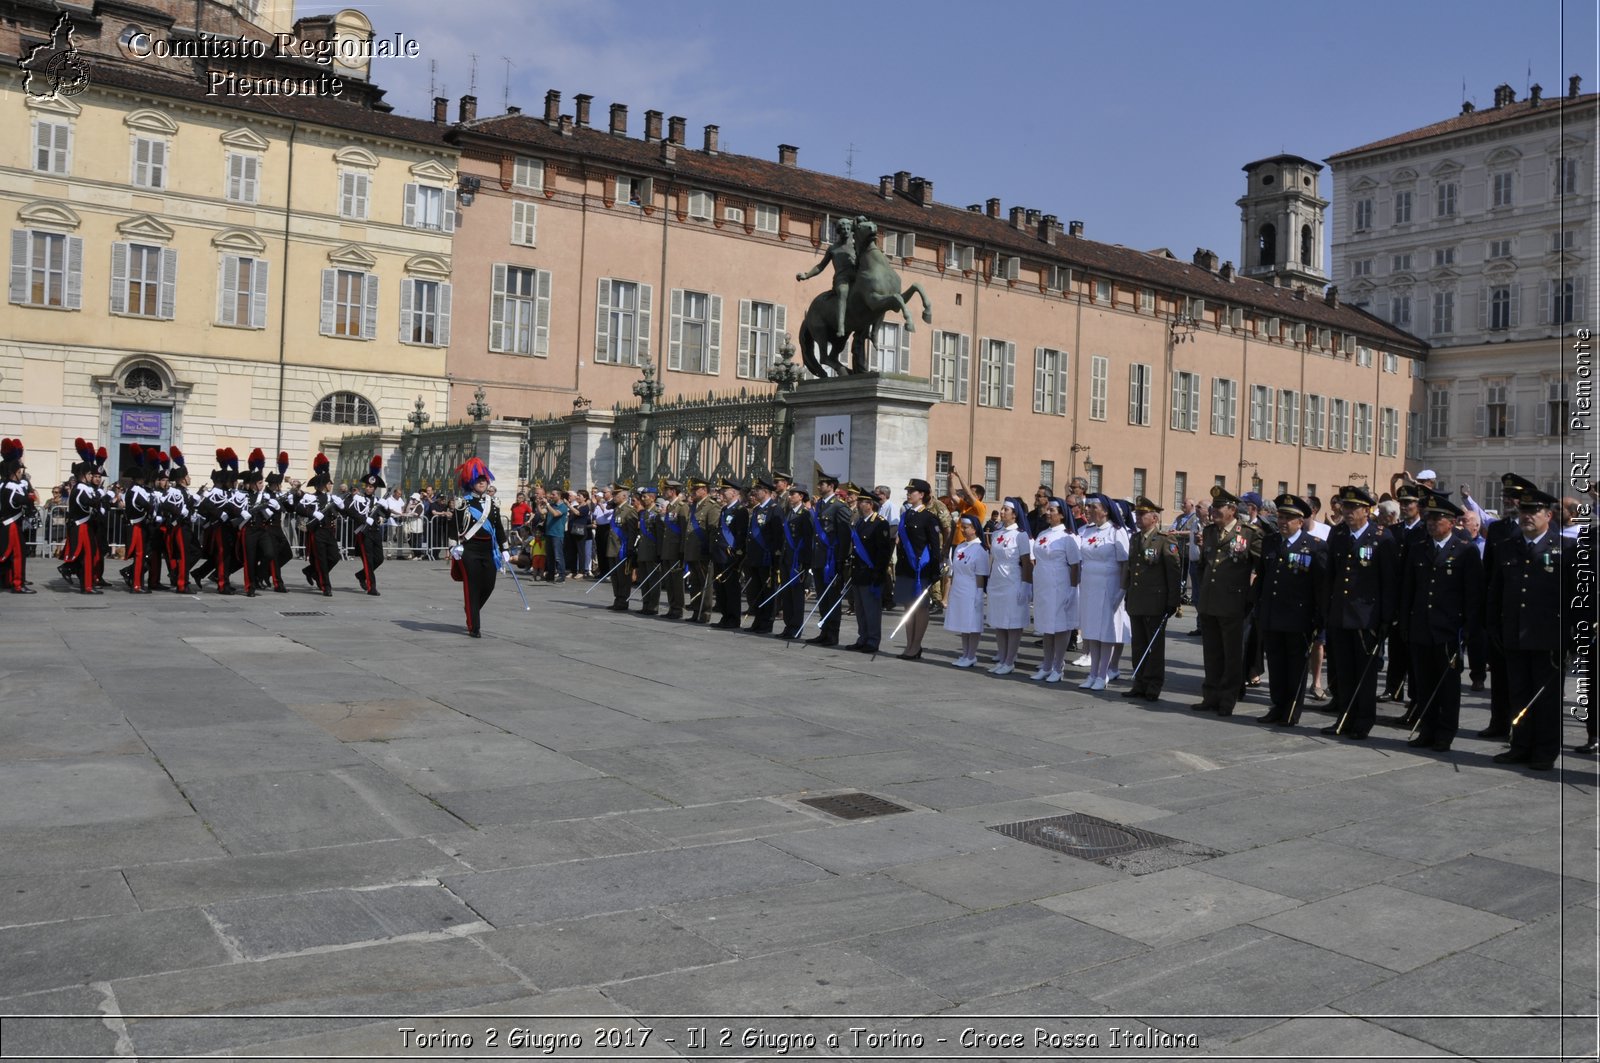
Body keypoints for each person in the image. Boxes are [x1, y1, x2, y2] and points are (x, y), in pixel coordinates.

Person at [1486, 476, 1578, 771]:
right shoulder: (1507, 546)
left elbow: (1577, 596)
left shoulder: (1565, 548)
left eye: (1533, 511)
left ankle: (1545, 751)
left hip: (1549, 637)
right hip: (1514, 634)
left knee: (1547, 699)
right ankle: (1520, 745)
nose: (1526, 516)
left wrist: (1573, 637)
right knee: (1519, 694)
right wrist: (1494, 627)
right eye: (1523, 510)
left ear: (1548, 515)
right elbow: (1495, 592)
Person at [1399, 489, 1482, 752]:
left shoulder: (1464, 552)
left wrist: (1468, 630)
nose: (1432, 523)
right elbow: (1407, 590)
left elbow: (1473, 596)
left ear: (1452, 522)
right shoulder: (1418, 549)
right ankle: (1427, 729)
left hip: (1448, 630)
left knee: (1448, 686)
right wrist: (1404, 624)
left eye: (1438, 518)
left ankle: (1445, 732)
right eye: (1430, 518)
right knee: (1423, 684)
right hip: (1421, 627)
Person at [1321, 485, 1399, 740]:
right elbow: (1331, 575)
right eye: (1346, 507)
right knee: (1342, 672)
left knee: (1364, 675)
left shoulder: (1382, 538)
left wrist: (1386, 619)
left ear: (1367, 510)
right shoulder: (1339, 534)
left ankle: (1363, 721)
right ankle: (1344, 717)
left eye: (1354, 508)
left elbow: (1389, 582)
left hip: (1366, 618)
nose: (1348, 511)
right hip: (1340, 615)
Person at [1254, 494, 1327, 726]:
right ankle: (1277, 705)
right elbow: (1263, 579)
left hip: (1298, 618)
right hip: (1272, 615)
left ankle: (1292, 710)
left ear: (1300, 521)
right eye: (1280, 517)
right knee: (1275, 664)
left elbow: (1320, 587)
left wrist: (1318, 619)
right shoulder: (1271, 541)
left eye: (1288, 518)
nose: (1283, 522)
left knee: (1295, 667)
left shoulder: (1314, 547)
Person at [1192, 486, 1262, 717]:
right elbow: (1204, 565)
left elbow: (1262, 566)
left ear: (1232, 509)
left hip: (1233, 603)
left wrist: (1249, 597)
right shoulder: (1211, 532)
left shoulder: (1249, 533)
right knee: (1211, 653)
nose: (1214, 511)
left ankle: (1227, 699)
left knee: (1232, 655)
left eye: (1219, 507)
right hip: (1210, 602)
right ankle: (1210, 696)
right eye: (1212, 507)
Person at [1122, 497, 1182, 701]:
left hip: (1156, 602)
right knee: (1138, 644)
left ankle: (1153, 684)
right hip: (1137, 600)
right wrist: (1127, 594)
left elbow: (1173, 573)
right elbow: (1131, 569)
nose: (1138, 518)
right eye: (1137, 514)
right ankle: (1139, 682)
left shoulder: (1165, 539)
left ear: (1155, 517)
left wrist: (1173, 601)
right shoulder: (1135, 539)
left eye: (1142, 514)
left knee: (1154, 646)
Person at [1075, 493, 1131, 690]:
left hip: (1110, 585)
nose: (1088, 510)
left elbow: (1125, 563)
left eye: (1093, 507)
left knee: (1105, 631)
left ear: (1105, 511)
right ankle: (1092, 674)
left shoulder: (1116, 532)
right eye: (1087, 507)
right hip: (1090, 584)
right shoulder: (1088, 532)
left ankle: (1102, 675)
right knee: (1091, 630)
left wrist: (1122, 589)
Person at [451, 458, 511, 638]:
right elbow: (453, 526)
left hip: (488, 550)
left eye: (484, 479)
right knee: (472, 586)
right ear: (471, 483)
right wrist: (454, 546)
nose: (482, 482)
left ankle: (471, 608)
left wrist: (505, 548)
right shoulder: (464, 503)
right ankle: (474, 626)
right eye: (478, 480)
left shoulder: (493, 504)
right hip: (469, 549)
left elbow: (498, 528)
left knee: (489, 585)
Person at [1029, 497, 1081, 682]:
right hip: (1043, 585)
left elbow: (1075, 565)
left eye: (1052, 510)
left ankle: (1058, 666)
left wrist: (1073, 589)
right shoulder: (1043, 534)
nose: (1048, 513)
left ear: (1062, 514)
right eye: (1048, 510)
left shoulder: (1068, 537)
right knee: (1046, 626)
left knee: (1059, 626)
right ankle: (1047, 664)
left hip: (1061, 585)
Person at [893, 478, 943, 660]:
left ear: (921, 495)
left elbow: (934, 546)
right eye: (908, 491)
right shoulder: (907, 515)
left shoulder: (929, 518)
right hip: (906, 567)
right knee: (908, 607)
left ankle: (916, 645)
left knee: (920, 607)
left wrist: (934, 571)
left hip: (921, 569)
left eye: (912, 491)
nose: (908, 494)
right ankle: (909, 644)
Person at [984, 497, 1034, 675]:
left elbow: (1027, 563)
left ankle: (1010, 660)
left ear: (1015, 514)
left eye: (1006, 509)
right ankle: (1002, 657)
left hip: (1013, 580)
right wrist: (989, 582)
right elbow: (993, 559)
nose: (1002, 512)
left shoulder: (1020, 535)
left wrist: (1026, 585)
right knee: (999, 621)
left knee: (1012, 622)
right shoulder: (997, 534)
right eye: (1002, 509)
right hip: (997, 581)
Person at [846, 486, 893, 653]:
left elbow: (883, 552)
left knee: (871, 610)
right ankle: (862, 637)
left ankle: (872, 640)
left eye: (862, 502)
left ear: (870, 504)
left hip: (871, 572)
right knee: (860, 609)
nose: (858, 504)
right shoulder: (859, 523)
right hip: (858, 572)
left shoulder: (880, 523)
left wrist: (878, 574)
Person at [807, 475, 852, 647]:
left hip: (831, 560)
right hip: (819, 559)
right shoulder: (819, 505)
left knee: (832, 598)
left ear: (831, 486)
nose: (819, 486)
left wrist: (841, 559)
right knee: (821, 597)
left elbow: (844, 536)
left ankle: (833, 634)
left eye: (822, 484)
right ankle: (824, 631)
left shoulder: (839, 507)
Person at [941, 513, 990, 667]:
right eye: (962, 527)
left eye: (966, 527)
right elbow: (954, 570)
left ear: (974, 529)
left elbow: (981, 574)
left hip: (972, 588)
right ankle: (964, 654)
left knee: (972, 624)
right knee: (963, 623)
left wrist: (979, 593)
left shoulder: (980, 549)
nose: (962, 530)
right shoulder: (960, 547)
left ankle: (971, 655)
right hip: (959, 588)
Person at [796, 215, 856, 338]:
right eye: (843, 229)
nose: (846, 231)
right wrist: (806, 275)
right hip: (842, 278)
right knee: (843, 292)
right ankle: (841, 326)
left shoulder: (856, 246)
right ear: (839, 231)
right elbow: (820, 266)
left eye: (848, 229)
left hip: (856, 276)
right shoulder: (833, 249)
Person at [743, 478, 782, 633]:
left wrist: (775, 556)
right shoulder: (758, 509)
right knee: (755, 591)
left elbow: (778, 535)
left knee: (767, 592)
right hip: (755, 557)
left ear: (766, 492)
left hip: (767, 558)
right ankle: (757, 621)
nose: (755, 493)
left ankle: (766, 622)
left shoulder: (774, 508)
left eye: (758, 490)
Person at [776, 483, 814, 639]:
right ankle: (788, 625)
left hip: (797, 561)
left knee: (797, 596)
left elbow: (808, 539)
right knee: (787, 595)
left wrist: (805, 564)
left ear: (802, 496)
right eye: (790, 493)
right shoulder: (789, 512)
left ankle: (796, 627)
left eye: (794, 494)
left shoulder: (806, 514)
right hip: (786, 559)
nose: (790, 496)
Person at [711, 477, 748, 628]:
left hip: (730, 556)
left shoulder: (740, 511)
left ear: (733, 493)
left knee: (732, 589)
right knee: (720, 589)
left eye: (724, 490)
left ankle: (733, 618)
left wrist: (737, 555)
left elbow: (740, 535)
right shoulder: (725, 509)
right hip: (720, 555)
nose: (721, 493)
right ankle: (725, 616)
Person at [0, 438, 34, 593]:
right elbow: (19, 501)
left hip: (11, 523)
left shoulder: (7, 485)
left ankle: (10, 580)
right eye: (20, 472)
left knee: (9, 554)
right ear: (14, 472)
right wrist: (29, 498)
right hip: (12, 524)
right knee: (18, 554)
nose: (22, 474)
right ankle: (18, 584)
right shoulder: (12, 487)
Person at [349, 456, 386, 596]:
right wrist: (365, 519)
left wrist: (382, 517)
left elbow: (383, 513)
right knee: (368, 560)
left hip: (375, 532)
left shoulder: (378, 500)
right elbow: (351, 512)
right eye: (368, 486)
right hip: (364, 533)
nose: (369, 488)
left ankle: (360, 575)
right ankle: (372, 587)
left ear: (375, 488)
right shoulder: (359, 499)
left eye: (372, 487)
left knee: (379, 559)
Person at [607, 484, 639, 613]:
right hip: (612, 548)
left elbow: (632, 532)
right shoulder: (617, 509)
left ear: (624, 496)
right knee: (615, 577)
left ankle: (623, 601)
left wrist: (630, 548)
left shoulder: (629, 511)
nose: (614, 497)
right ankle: (617, 599)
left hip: (622, 548)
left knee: (623, 577)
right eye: (614, 494)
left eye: (616, 495)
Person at [659, 480, 686, 615]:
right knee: (669, 581)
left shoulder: (682, 507)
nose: (663, 492)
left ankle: (678, 608)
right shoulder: (670, 507)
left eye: (666, 489)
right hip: (668, 549)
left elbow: (683, 530)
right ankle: (672, 606)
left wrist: (682, 549)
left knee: (676, 581)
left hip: (676, 550)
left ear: (673, 491)